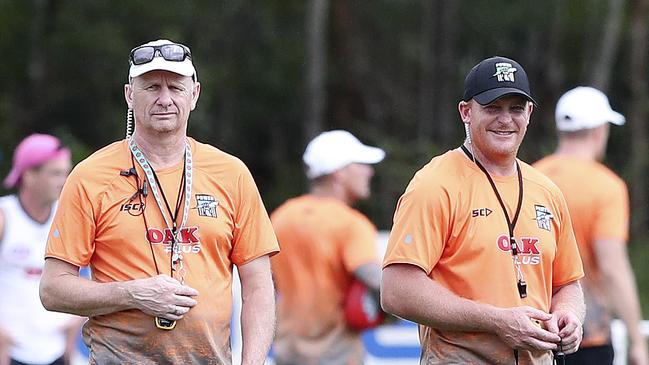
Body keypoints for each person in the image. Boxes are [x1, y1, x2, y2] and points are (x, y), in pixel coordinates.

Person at [39, 39, 279, 364]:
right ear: (129, 95)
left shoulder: (231, 173)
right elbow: (53, 290)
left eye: (175, 87)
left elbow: (258, 287)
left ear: (194, 94)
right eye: (151, 87)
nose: (164, 99)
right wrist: (133, 294)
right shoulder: (91, 176)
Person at [381, 56, 587, 364]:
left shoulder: (546, 191)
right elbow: (396, 290)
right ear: (466, 112)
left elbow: (567, 283)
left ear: (529, 114)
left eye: (516, 108)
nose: (505, 119)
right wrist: (496, 321)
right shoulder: (435, 184)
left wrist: (568, 316)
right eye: (492, 108)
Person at [534, 86, 649, 365]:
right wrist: (636, 340)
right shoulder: (607, 186)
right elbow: (612, 267)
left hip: (533, 336)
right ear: (599, 131)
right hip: (587, 339)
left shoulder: (530, 177)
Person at [270, 130, 385, 364]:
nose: (369, 171)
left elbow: (265, 284)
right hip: (337, 354)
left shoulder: (282, 217)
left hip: (287, 353)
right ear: (339, 173)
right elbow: (377, 280)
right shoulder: (351, 224)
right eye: (361, 164)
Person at [0, 133, 83, 365]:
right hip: (10, 353)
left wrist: (76, 321)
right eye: (55, 173)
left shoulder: (69, 216)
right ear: (28, 175)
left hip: (58, 352)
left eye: (66, 172)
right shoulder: (5, 216)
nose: (64, 180)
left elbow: (95, 274)